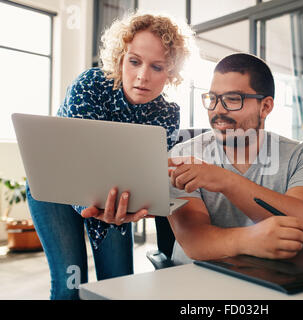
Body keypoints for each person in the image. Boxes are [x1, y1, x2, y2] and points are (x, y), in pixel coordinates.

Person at [26, 12, 193, 299]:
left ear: (172, 73)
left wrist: (138, 205)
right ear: (120, 58)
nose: (143, 76)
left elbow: (145, 176)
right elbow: (78, 161)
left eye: (157, 67)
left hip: (115, 201)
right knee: (70, 285)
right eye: (134, 61)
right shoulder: (90, 84)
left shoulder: (168, 113)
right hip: (55, 187)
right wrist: (97, 208)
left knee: (118, 286)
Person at [166, 53, 303, 265]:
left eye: (233, 99)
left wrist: (225, 180)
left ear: (266, 107)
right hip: (197, 278)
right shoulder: (182, 156)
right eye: (212, 99)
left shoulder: (300, 156)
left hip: (275, 276)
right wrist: (250, 240)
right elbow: (194, 241)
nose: (218, 110)